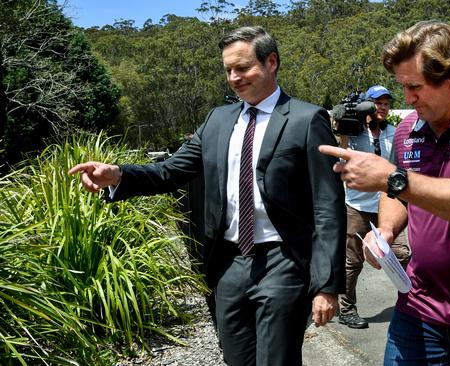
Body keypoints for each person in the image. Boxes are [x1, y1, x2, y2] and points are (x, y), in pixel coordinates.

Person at [69, 26, 345, 366]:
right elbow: (170, 171)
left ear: (271, 62)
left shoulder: (305, 119)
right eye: (228, 69)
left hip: (283, 260)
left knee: (277, 359)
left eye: (242, 68)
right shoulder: (217, 120)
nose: (234, 77)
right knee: (236, 358)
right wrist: (120, 174)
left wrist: (326, 284)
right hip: (228, 263)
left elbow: (327, 207)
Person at [319, 21, 450, 365]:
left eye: (415, 86)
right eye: (402, 86)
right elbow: (396, 195)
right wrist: (387, 232)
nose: (407, 98)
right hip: (418, 306)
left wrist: (393, 178)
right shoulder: (408, 128)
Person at [336, 85, 410, 329]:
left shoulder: (394, 132)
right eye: (378, 103)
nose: (383, 107)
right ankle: (347, 309)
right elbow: (341, 158)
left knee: (402, 253)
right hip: (356, 205)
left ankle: (410, 302)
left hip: (386, 204)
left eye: (387, 103)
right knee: (353, 261)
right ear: (367, 105)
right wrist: (343, 130)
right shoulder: (355, 132)